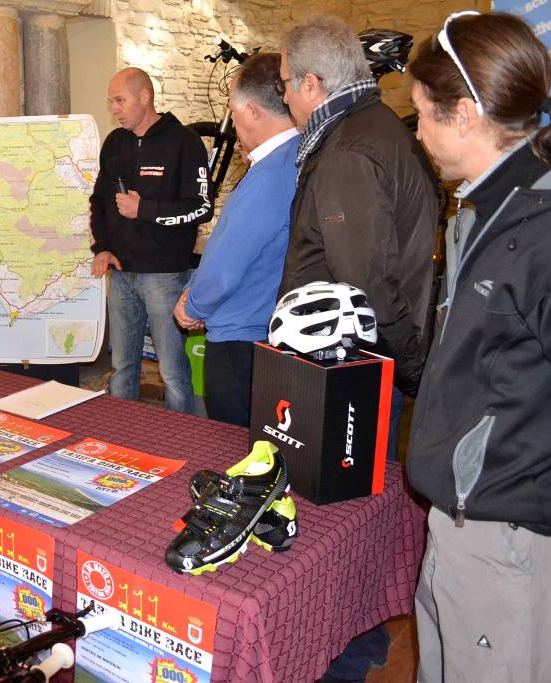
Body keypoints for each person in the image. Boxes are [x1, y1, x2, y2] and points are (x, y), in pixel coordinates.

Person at [276, 16, 439, 682]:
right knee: (354, 529)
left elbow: (364, 287)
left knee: (331, 534)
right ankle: (355, 639)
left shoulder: (346, 149)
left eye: (287, 84)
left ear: (314, 83)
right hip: (357, 369)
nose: (284, 96)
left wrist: (414, 367)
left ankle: (336, 654)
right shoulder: (369, 130)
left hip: (343, 373)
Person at [406, 11, 551, 682]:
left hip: (504, 536)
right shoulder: (485, 206)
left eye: (422, 115)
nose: (417, 131)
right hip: (461, 524)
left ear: (464, 114)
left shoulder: (539, 228)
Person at [173, 53, 299, 427]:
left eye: (234, 109)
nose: (234, 122)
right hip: (267, 330)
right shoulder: (297, 158)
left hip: (241, 338)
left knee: (237, 450)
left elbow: (227, 265)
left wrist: (193, 306)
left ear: (254, 111)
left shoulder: (269, 176)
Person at [90, 67, 212, 415]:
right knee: (122, 368)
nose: (115, 108)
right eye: (112, 102)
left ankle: (180, 438)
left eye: (120, 100)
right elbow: (99, 201)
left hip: (164, 276)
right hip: (122, 274)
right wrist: (103, 247)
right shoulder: (115, 142)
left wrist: (146, 210)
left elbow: (202, 208)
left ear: (145, 97)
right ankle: (124, 437)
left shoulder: (185, 143)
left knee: (173, 372)